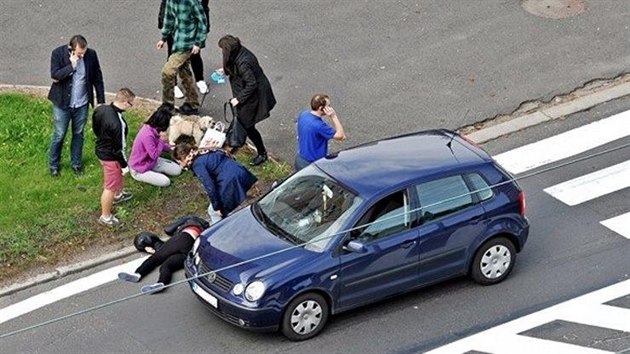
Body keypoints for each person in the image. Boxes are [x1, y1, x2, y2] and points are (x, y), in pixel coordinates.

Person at [48, 34, 105, 177]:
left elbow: (97, 77)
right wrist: (71, 66)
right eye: (79, 53)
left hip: (82, 103)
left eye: (84, 53)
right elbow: (55, 75)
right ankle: (54, 164)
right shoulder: (57, 54)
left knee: (78, 133)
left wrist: (100, 100)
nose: (82, 56)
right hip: (62, 103)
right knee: (60, 134)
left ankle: (76, 163)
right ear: (71, 49)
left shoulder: (91, 55)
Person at [218, 35, 276, 166]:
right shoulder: (240, 52)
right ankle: (238, 136)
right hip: (249, 92)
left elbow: (251, 84)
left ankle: (262, 153)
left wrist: (238, 99)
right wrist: (226, 69)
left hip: (252, 96)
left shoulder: (243, 63)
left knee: (248, 125)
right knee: (244, 120)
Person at [118, 215, 210, 294]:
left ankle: (138, 274)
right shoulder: (206, 230)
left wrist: (179, 224)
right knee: (167, 265)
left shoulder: (189, 220)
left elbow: (168, 229)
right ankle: (161, 283)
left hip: (184, 238)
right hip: (191, 249)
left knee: (157, 257)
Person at [173, 143, 257, 224]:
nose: (180, 165)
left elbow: (210, 187)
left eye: (179, 162)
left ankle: (221, 233)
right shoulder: (203, 151)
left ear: (183, 158)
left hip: (231, 180)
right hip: (240, 171)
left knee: (213, 212)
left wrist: (217, 207)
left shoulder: (197, 165)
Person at [92, 88, 136, 227]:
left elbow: (95, 127)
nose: (131, 106)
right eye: (131, 103)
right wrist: (124, 165)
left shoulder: (102, 109)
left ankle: (118, 194)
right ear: (124, 102)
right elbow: (119, 148)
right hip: (111, 157)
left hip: (101, 149)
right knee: (110, 186)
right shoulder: (118, 124)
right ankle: (105, 216)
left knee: (115, 181)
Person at [157, 0, 208, 115]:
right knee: (184, 72)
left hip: (188, 44)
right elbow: (168, 18)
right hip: (177, 41)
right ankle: (192, 103)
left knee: (168, 72)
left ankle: (167, 106)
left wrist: (198, 42)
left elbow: (203, 22)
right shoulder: (170, 1)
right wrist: (163, 38)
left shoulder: (192, 2)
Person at [128, 106, 182, 187]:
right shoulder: (147, 135)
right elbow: (154, 155)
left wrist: (171, 148)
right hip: (140, 168)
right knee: (166, 182)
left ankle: (155, 172)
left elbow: (157, 146)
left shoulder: (154, 129)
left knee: (178, 170)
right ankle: (150, 175)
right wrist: (161, 140)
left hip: (151, 162)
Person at [294, 94, 346, 171]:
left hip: (300, 159)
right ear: (321, 108)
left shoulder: (304, 114)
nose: (331, 108)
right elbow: (341, 136)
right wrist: (333, 116)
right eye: (328, 106)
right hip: (312, 165)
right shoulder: (320, 126)